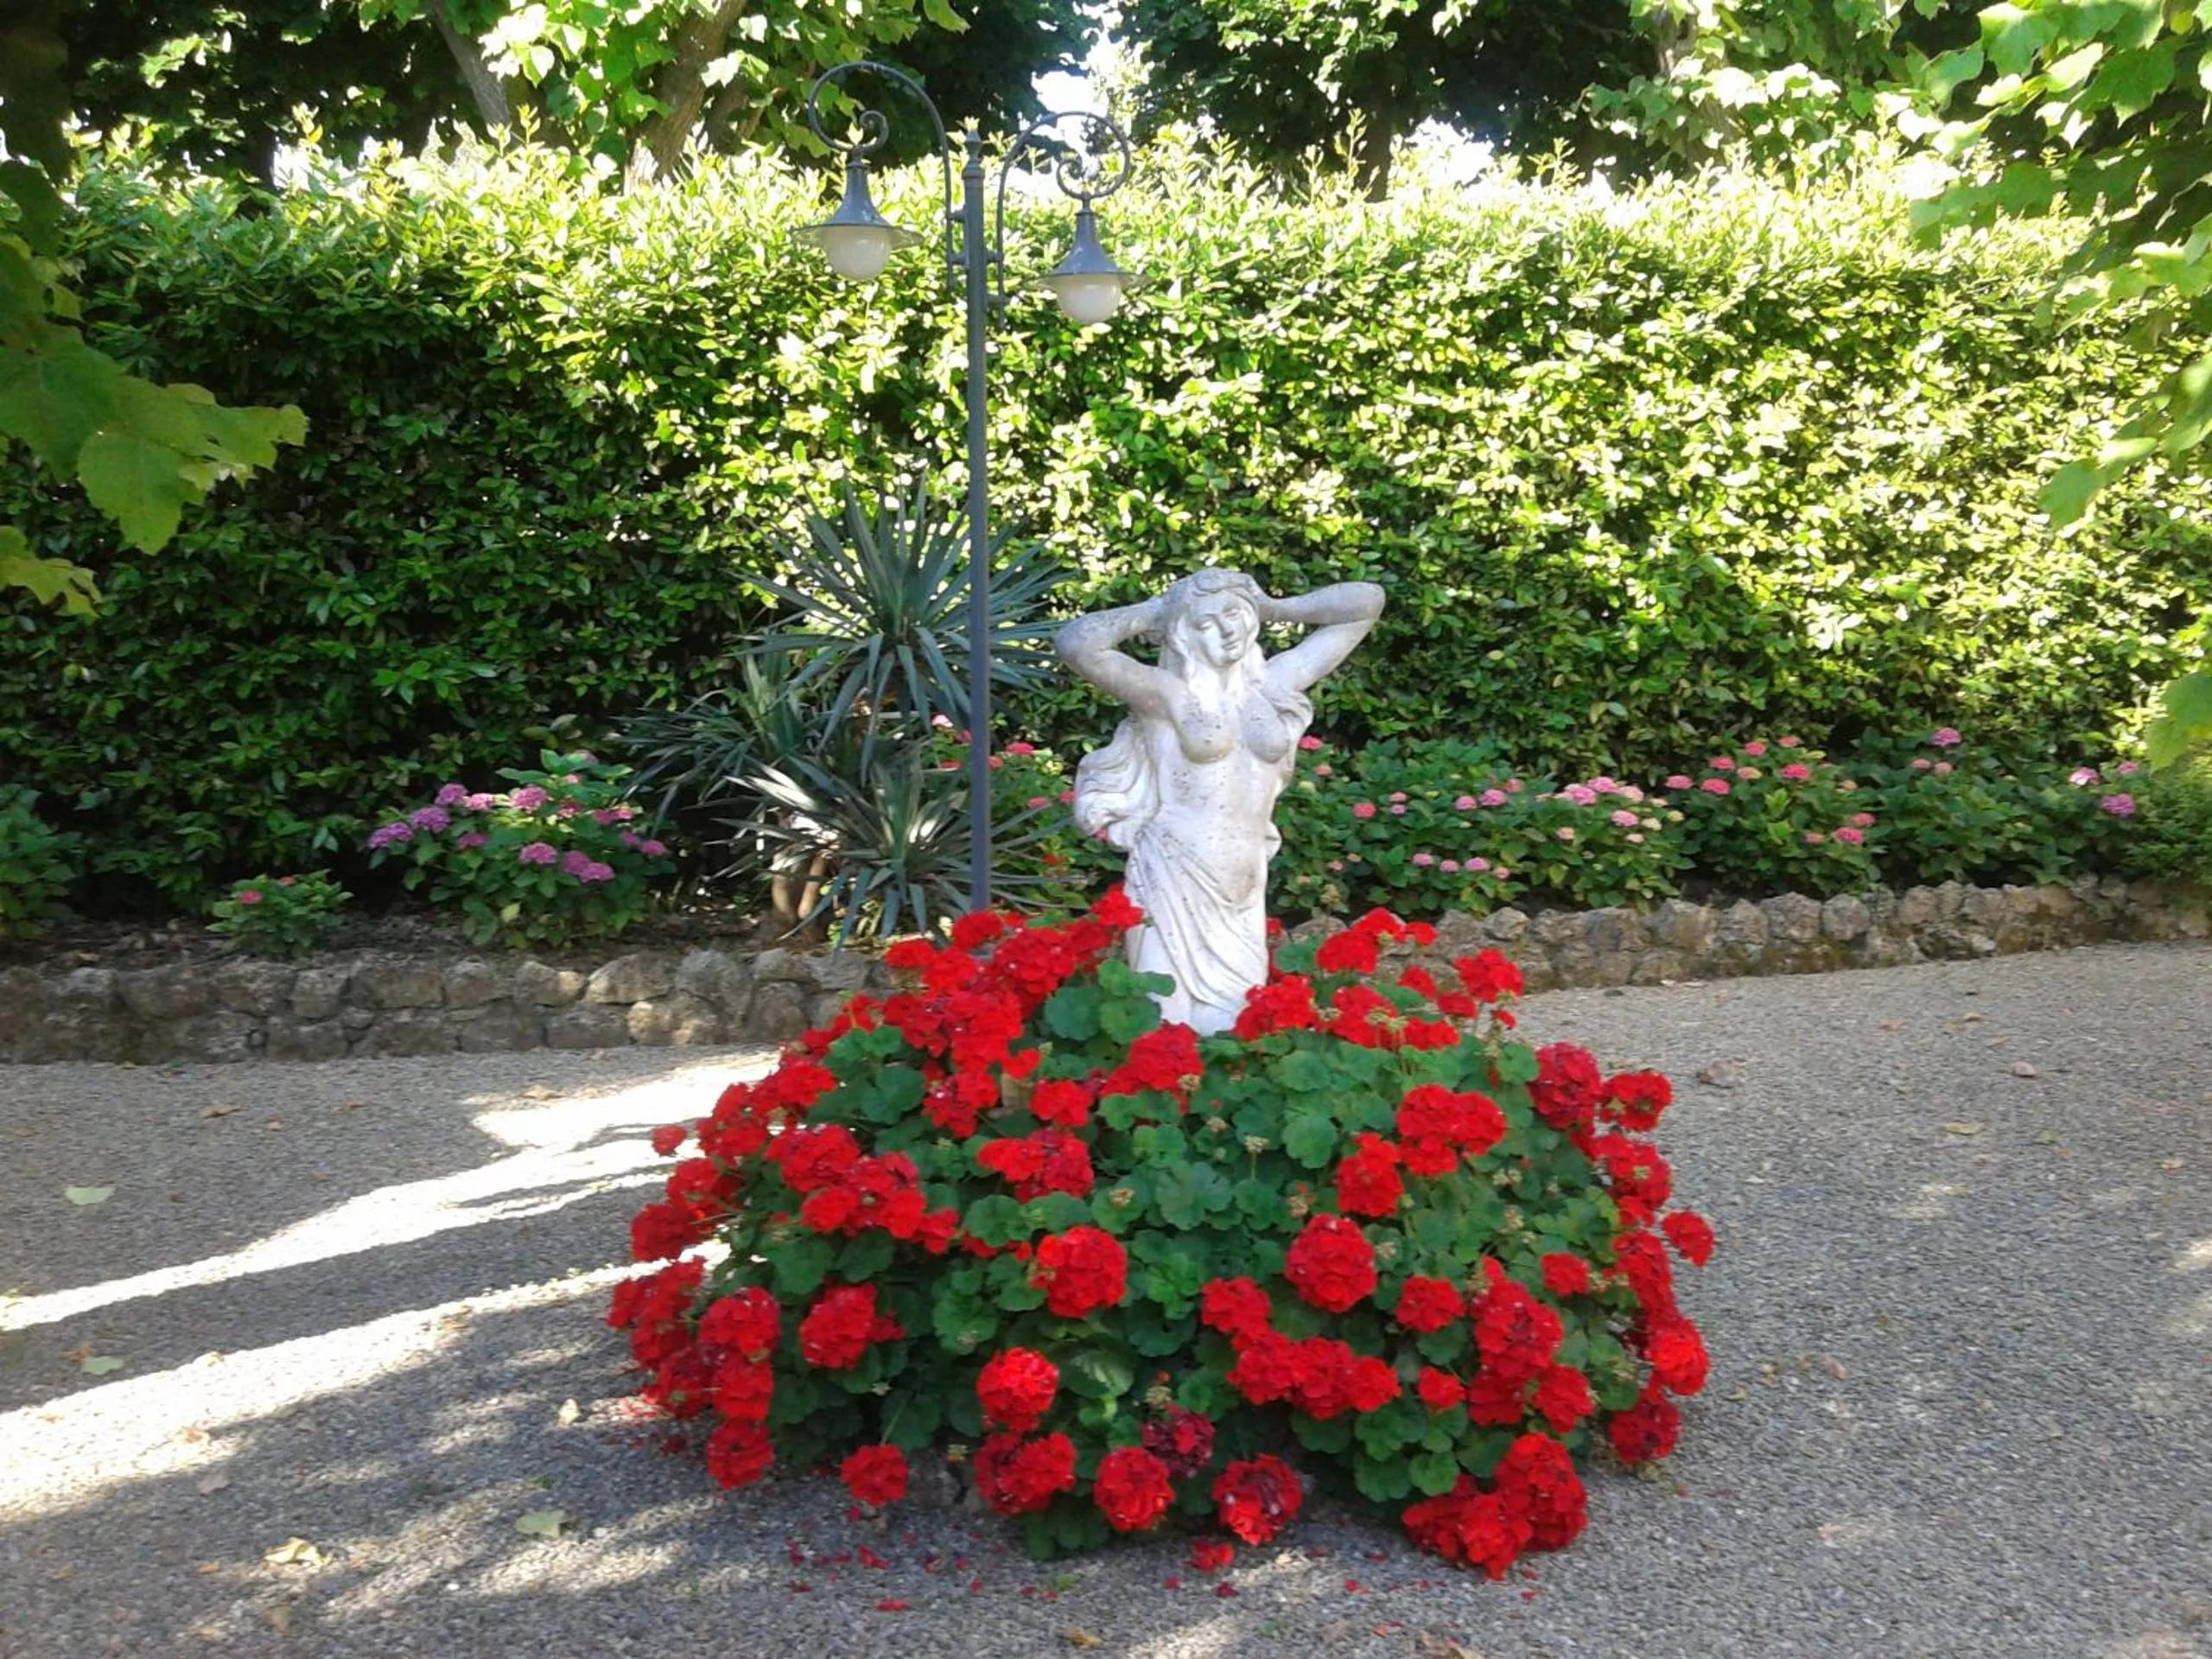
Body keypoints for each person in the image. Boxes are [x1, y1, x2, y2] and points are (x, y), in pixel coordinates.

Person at [1057, 569, 1385, 1033]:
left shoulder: (1273, 683)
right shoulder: (1165, 693)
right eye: (1206, 623)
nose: (1227, 630)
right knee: (1160, 1028)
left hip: (1244, 880)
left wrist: (1274, 606)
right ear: (1183, 634)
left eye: (1234, 614)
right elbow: (1077, 643)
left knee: (1231, 1034)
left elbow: (1365, 603)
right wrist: (1160, 609)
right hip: (1173, 870)